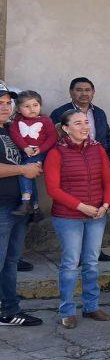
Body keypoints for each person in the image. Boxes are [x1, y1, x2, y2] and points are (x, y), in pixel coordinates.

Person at [45, 109, 110, 329]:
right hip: (69, 217)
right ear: (65, 128)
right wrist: (81, 206)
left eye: (86, 122)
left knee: (91, 263)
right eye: (77, 123)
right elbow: (53, 189)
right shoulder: (56, 153)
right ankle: (67, 310)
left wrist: (105, 204)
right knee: (70, 264)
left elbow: (107, 179)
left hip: (96, 215)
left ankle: (91, 306)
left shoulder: (97, 149)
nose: (84, 127)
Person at [51, 77, 110, 261]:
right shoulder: (59, 112)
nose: (84, 93)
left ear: (93, 92)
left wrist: (104, 157)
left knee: (97, 205)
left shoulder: (99, 112)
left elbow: (107, 135)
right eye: (79, 90)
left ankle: (95, 250)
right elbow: (54, 138)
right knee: (76, 209)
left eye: (88, 90)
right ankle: (75, 253)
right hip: (70, 169)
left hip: (95, 163)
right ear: (71, 92)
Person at [0, 82, 43, 327]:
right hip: (1, 207)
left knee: (10, 261)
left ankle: (8, 310)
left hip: (18, 206)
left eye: (8, 102)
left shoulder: (10, 130)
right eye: (0, 103)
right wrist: (23, 169)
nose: (6, 107)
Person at [9, 90, 56, 217]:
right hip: (24, 153)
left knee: (25, 171)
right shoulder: (16, 122)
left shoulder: (46, 120)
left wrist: (40, 149)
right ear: (18, 109)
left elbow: (52, 137)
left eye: (35, 105)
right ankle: (34, 207)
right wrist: (25, 147)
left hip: (40, 153)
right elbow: (15, 135)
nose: (32, 109)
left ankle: (25, 201)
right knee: (29, 176)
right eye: (27, 106)